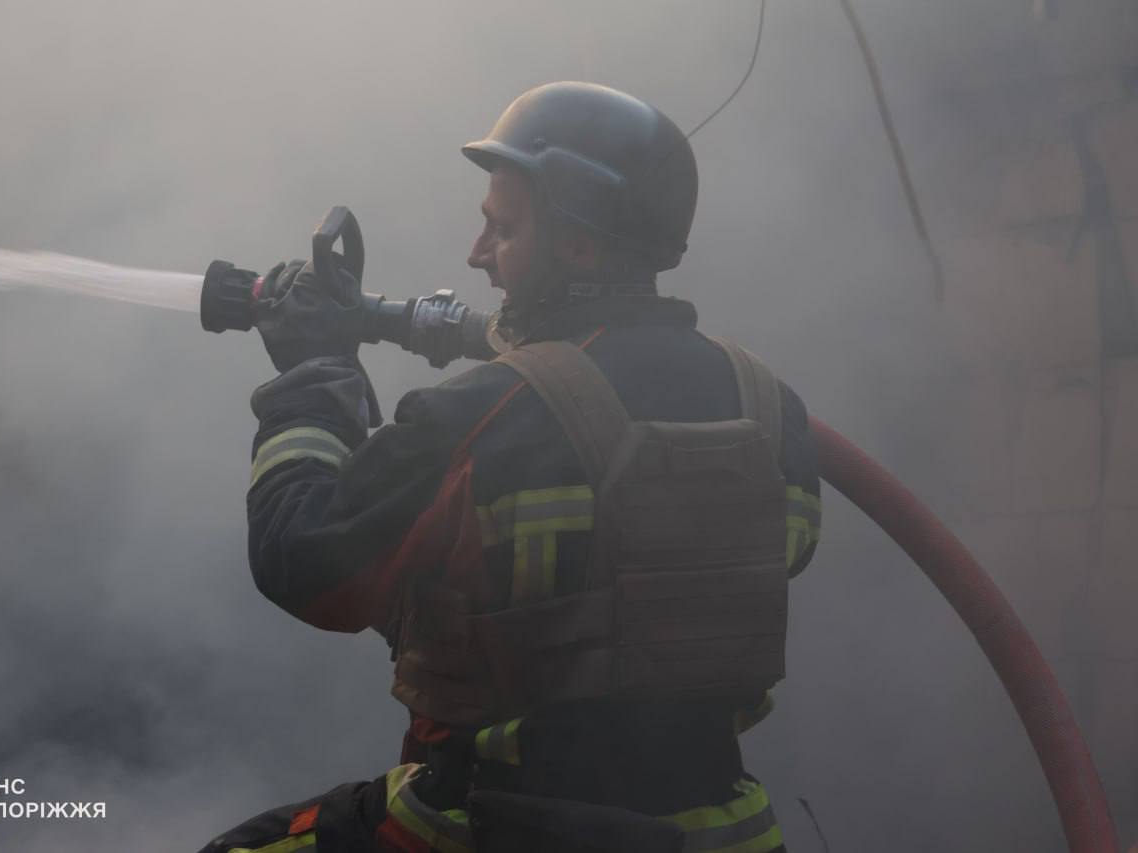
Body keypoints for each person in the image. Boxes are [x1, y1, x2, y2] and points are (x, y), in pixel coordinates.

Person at [200, 81, 821, 853]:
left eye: (504, 228)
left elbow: (301, 560)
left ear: (579, 246)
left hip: (492, 824)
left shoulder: (485, 416)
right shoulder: (772, 410)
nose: (476, 253)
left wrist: (314, 375)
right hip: (726, 832)